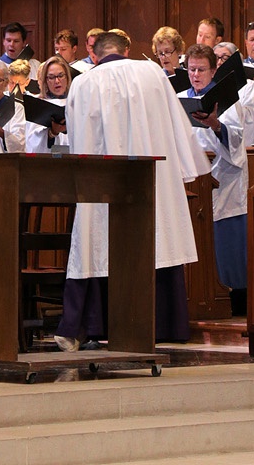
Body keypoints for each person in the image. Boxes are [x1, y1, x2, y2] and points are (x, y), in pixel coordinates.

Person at [55, 31, 209, 350]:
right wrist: (181, 171)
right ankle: (163, 323)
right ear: (126, 50)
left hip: (103, 181)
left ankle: (97, 324)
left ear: (94, 56)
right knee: (156, 239)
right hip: (152, 178)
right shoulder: (152, 72)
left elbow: (79, 139)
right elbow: (175, 123)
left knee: (97, 243)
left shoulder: (83, 83)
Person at [185, 45, 248, 317]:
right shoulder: (181, 99)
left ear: (213, 71)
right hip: (192, 180)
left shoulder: (227, 99)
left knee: (227, 246)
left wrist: (215, 125)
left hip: (224, 180)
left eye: (201, 70)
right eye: (191, 69)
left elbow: (237, 139)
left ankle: (234, 300)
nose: (196, 75)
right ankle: (197, 295)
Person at [25, 54, 72, 153]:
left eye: (60, 76)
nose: (57, 81)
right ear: (45, 81)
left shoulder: (76, 103)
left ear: (67, 77)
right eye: (51, 77)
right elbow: (31, 144)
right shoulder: (38, 106)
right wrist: (52, 133)